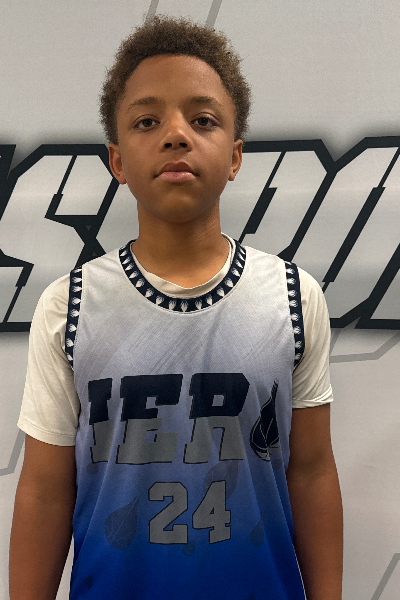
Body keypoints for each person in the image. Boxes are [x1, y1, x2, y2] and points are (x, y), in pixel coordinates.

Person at [9, 14, 343, 600]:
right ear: (117, 161)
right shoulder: (69, 306)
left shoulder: (293, 295)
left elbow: (311, 471)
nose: (175, 134)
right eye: (147, 121)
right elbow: (44, 491)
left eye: (202, 119)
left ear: (235, 156)